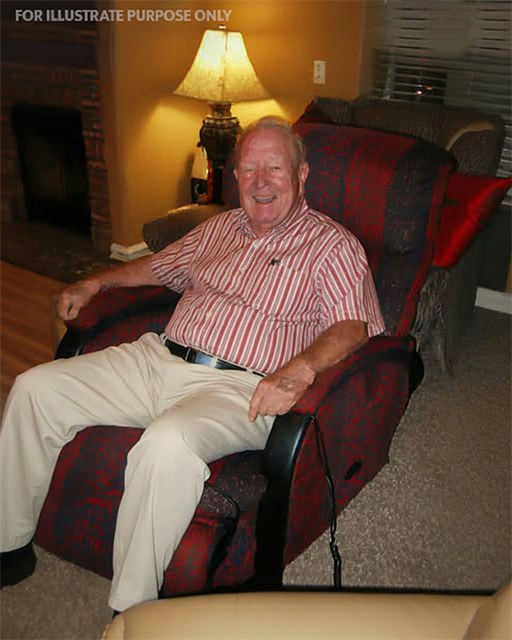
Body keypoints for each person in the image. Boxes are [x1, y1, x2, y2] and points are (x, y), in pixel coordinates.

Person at [0, 116, 384, 612]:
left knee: (167, 444)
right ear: (235, 177)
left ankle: (133, 610)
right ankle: (8, 545)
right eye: (249, 169)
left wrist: (301, 369)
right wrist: (97, 281)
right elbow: (160, 265)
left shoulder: (332, 245)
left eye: (274, 167)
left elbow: (355, 325)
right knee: (34, 389)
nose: (261, 182)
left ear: (302, 174)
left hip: (240, 389)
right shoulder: (219, 227)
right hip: (157, 358)